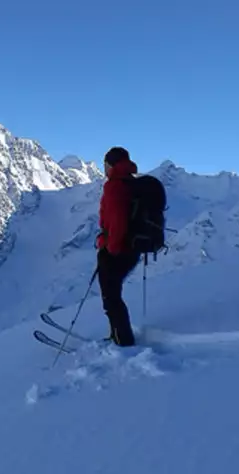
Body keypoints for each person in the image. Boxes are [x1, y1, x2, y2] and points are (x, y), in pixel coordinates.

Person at [95, 146, 141, 346]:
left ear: (111, 165)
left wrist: (110, 248)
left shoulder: (114, 186)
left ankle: (123, 339)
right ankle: (118, 335)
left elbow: (117, 220)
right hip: (132, 248)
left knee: (111, 297)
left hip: (117, 249)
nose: (103, 169)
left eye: (105, 165)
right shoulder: (132, 183)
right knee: (114, 295)